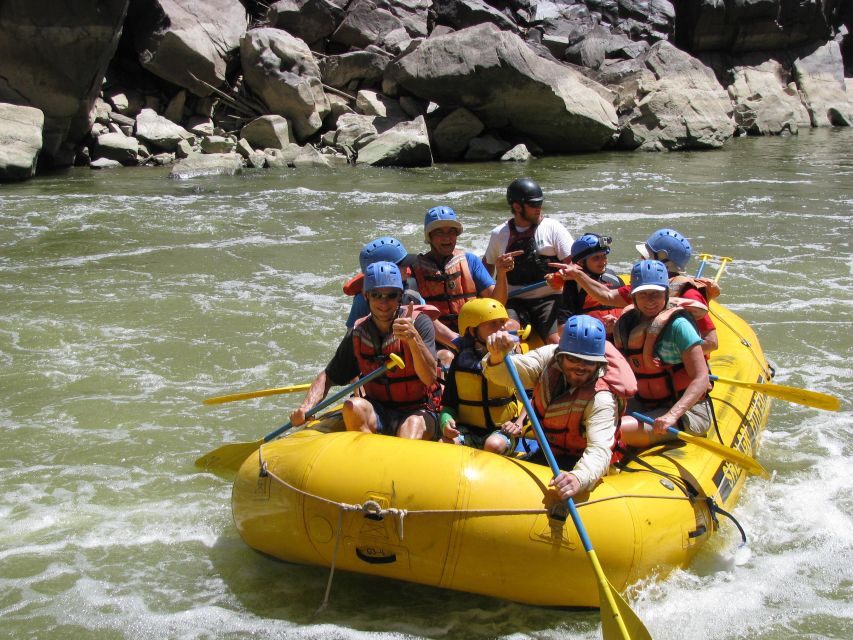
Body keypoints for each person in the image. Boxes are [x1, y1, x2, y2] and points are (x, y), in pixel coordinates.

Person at [482, 315, 637, 499]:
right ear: (561, 356)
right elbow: (509, 373)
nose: (581, 367)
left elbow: (599, 450)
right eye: (574, 359)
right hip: (549, 454)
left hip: (582, 463)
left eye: (589, 362)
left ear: (599, 363)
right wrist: (497, 356)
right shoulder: (549, 357)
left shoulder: (602, 398)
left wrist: (578, 478)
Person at [291, 261, 440, 440]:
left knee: (411, 428)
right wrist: (307, 406)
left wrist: (413, 339)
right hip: (379, 409)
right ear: (366, 295)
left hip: (419, 409)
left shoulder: (420, 324)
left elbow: (429, 377)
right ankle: (369, 461)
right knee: (352, 407)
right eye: (377, 295)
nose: (384, 303)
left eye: (391, 295)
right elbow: (329, 376)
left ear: (400, 296)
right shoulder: (359, 333)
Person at [549, 228, 719, 353]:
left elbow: (711, 343)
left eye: (645, 256)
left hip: (672, 367)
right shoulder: (640, 287)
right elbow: (607, 296)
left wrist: (669, 354)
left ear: (662, 260)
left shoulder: (689, 293)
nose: (640, 259)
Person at [613, 260, 713, 448]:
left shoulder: (679, 326)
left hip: (687, 412)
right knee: (593, 424)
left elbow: (701, 378)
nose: (650, 301)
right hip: (644, 404)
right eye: (643, 294)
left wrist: (672, 415)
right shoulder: (626, 324)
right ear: (633, 297)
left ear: (666, 294)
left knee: (611, 432)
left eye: (656, 294)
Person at [483, 178, 574, 345]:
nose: (538, 208)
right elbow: (486, 267)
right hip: (514, 301)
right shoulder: (499, 234)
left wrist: (561, 276)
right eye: (533, 205)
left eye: (540, 203)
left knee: (555, 341)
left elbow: (574, 264)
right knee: (506, 335)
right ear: (517, 207)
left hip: (549, 298)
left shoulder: (553, 228)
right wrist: (488, 292)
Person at [411, 206, 510, 349]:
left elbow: (496, 303)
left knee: (512, 327)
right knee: (446, 357)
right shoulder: (414, 269)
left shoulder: (470, 261)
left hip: (474, 334)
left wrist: (501, 274)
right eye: (439, 232)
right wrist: (456, 341)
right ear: (429, 236)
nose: (447, 237)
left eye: (452, 231)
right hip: (437, 338)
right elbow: (417, 313)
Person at [439, 298, 526, 454]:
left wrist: (518, 424)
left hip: (502, 431)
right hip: (467, 431)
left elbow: (531, 398)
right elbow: (448, 405)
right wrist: (445, 422)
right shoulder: (460, 361)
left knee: (493, 445)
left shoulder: (512, 358)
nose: (501, 329)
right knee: (443, 443)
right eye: (493, 324)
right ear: (472, 331)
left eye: (502, 322)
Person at [551, 232, 623, 335]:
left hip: (619, 334)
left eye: (604, 256)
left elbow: (631, 310)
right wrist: (600, 329)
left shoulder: (615, 279)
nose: (603, 261)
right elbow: (562, 328)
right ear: (581, 262)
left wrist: (618, 324)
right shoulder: (574, 284)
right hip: (590, 339)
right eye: (596, 258)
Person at [343, 236, 422, 328]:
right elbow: (351, 333)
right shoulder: (362, 300)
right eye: (402, 265)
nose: (407, 268)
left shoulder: (411, 289)